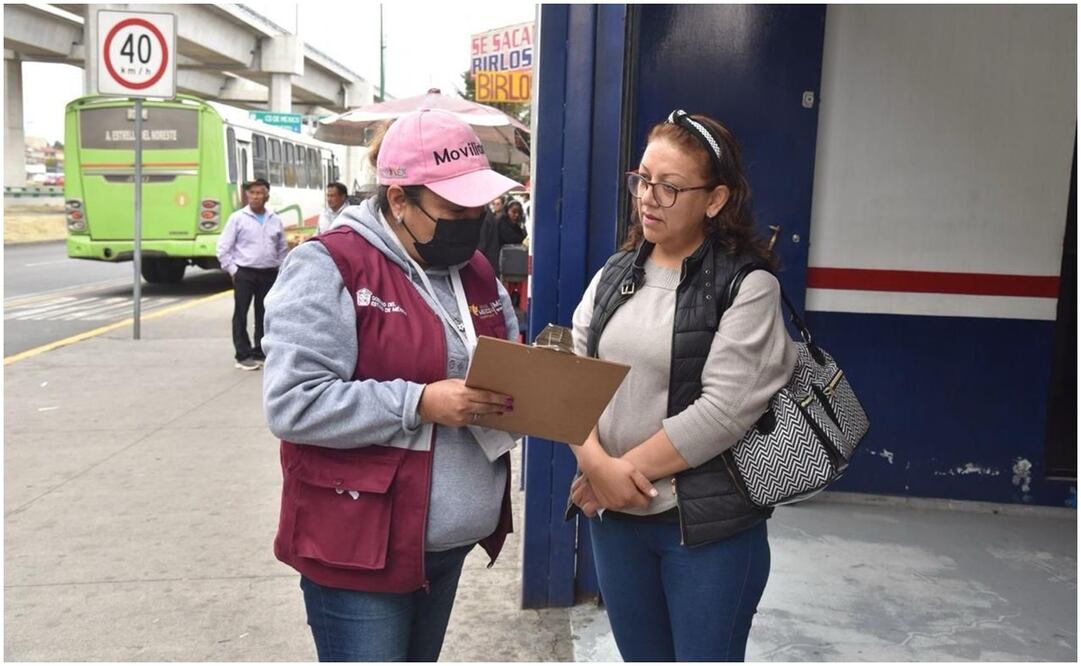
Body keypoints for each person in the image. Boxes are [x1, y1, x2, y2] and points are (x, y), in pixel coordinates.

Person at [261, 109, 523, 662]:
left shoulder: (474, 271)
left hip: (445, 545)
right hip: (360, 544)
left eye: (478, 208)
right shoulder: (331, 265)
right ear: (399, 199)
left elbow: (507, 360)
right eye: (455, 209)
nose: (471, 220)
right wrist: (420, 401)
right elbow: (293, 403)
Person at [567, 110, 797, 662]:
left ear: (715, 200)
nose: (648, 197)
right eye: (643, 180)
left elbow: (723, 411)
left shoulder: (748, 286)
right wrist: (595, 464)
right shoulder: (616, 272)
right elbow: (572, 372)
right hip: (617, 524)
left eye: (669, 188)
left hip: (705, 532)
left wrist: (615, 477)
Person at [216, 177, 286, 370]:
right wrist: (233, 270)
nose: (255, 197)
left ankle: (260, 351)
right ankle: (242, 354)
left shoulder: (274, 218)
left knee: (264, 314)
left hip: (268, 273)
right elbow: (223, 248)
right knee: (241, 313)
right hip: (244, 273)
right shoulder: (237, 218)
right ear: (247, 196)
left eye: (259, 193)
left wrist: (279, 267)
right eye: (252, 193)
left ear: (267, 196)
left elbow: (281, 247)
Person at [478, 196, 527, 275]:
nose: (516, 215)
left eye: (518, 213)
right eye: (514, 212)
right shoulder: (500, 220)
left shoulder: (485, 216)